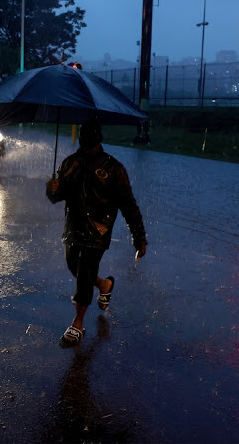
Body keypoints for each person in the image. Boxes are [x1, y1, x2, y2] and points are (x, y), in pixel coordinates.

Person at [46, 120, 148, 347]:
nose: (87, 138)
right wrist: (51, 189)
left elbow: (128, 205)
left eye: (91, 134)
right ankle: (104, 285)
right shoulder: (69, 163)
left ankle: (78, 323)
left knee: (84, 275)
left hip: (98, 230)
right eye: (84, 134)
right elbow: (57, 196)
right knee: (74, 267)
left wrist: (139, 237)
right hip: (72, 228)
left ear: (98, 137)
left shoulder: (114, 168)